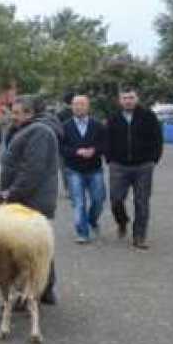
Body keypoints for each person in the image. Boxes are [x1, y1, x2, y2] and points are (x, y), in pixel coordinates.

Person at [0, 95, 62, 304]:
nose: (12, 116)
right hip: (27, 199)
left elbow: (32, 170)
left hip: (32, 200)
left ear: (30, 113)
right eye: (12, 112)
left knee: (31, 248)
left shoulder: (39, 132)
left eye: (16, 113)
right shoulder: (24, 129)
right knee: (33, 246)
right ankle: (40, 290)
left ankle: (35, 291)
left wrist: (12, 193)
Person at [105, 87, 163, 250]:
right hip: (119, 165)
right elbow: (106, 139)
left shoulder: (148, 116)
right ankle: (122, 221)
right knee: (116, 199)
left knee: (142, 202)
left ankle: (139, 236)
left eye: (131, 97)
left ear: (137, 99)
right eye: (125, 98)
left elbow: (157, 138)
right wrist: (109, 158)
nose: (128, 101)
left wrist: (153, 159)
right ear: (120, 101)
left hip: (143, 166)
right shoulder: (113, 118)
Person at [61, 95, 107, 244]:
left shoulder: (98, 125)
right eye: (75, 104)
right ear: (71, 107)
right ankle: (82, 233)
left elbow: (105, 144)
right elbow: (61, 148)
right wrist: (76, 152)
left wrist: (94, 150)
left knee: (98, 200)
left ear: (88, 107)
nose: (78, 107)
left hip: (94, 169)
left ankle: (92, 220)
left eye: (82, 104)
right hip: (73, 169)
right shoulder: (65, 126)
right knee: (78, 202)